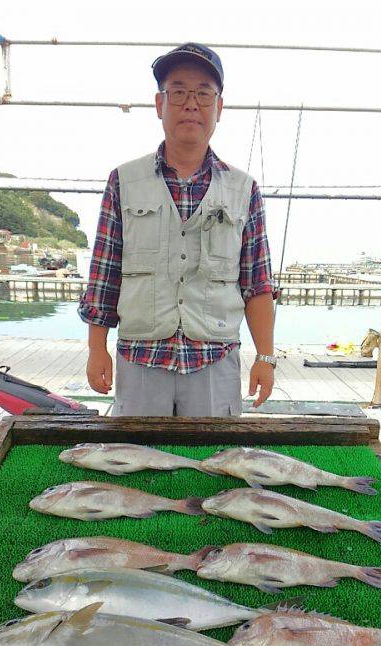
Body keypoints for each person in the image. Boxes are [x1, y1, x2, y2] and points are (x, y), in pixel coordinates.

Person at [79, 42, 276, 416]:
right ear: (160, 104)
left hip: (215, 360)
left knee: (217, 453)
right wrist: (96, 348)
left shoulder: (244, 189)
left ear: (219, 107)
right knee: (134, 453)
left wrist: (265, 356)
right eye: (179, 92)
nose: (191, 104)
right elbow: (104, 274)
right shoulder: (123, 181)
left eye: (204, 93)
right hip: (140, 359)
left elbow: (258, 283)